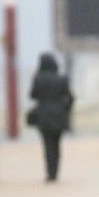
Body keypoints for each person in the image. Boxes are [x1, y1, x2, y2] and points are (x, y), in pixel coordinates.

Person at [28, 53, 74, 183]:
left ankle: (49, 173)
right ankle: (55, 172)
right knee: (56, 144)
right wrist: (65, 109)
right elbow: (70, 97)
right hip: (59, 116)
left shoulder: (38, 78)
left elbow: (32, 95)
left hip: (43, 116)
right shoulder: (62, 78)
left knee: (47, 145)